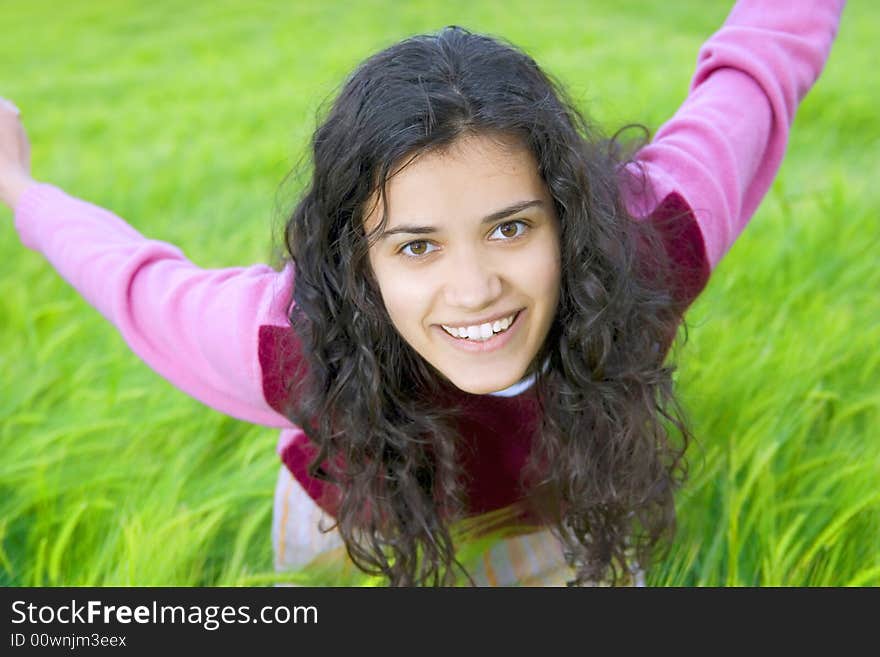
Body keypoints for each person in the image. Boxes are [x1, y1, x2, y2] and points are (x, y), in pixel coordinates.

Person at [0, 0, 845, 586]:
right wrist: (19, 188)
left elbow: (757, 69)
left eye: (512, 227)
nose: (474, 291)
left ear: (570, 215)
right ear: (355, 262)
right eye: (415, 246)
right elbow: (136, 279)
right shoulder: (287, 341)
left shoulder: (649, 240)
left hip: (570, 507)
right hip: (362, 523)